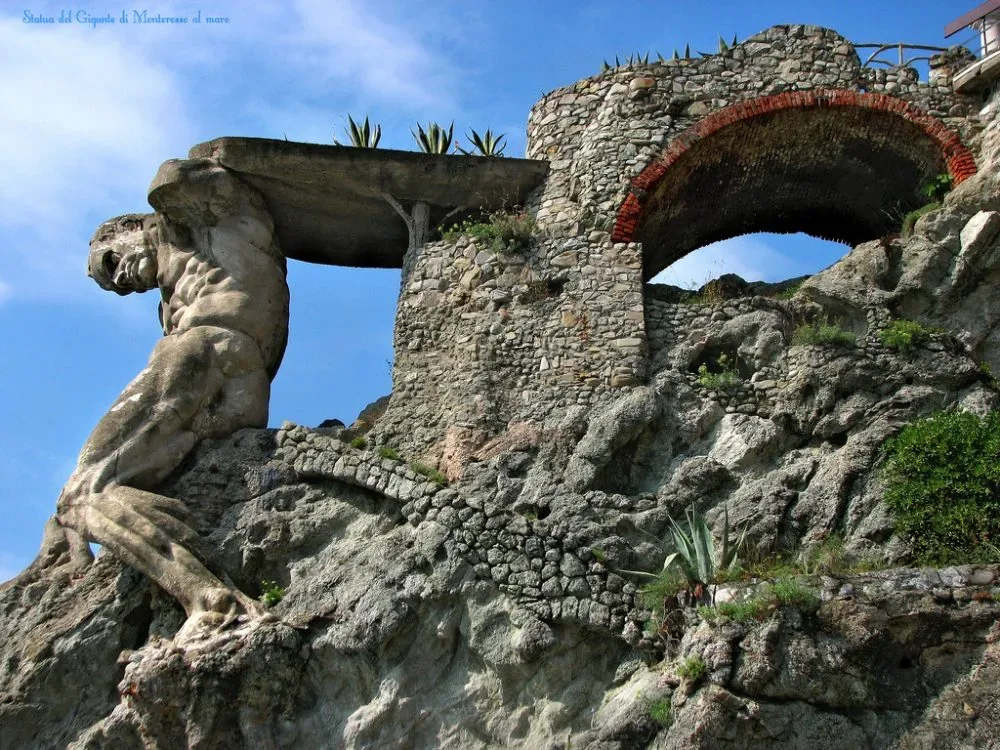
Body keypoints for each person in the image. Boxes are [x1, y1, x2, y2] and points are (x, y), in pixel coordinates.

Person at [17, 159, 290, 632]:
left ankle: (208, 598)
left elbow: (176, 179)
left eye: (111, 261)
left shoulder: (190, 224)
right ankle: (71, 545)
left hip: (205, 352)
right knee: (104, 491)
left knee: (82, 493)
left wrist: (165, 201)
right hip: (247, 388)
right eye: (115, 286)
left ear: (127, 230)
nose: (122, 279)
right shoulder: (181, 288)